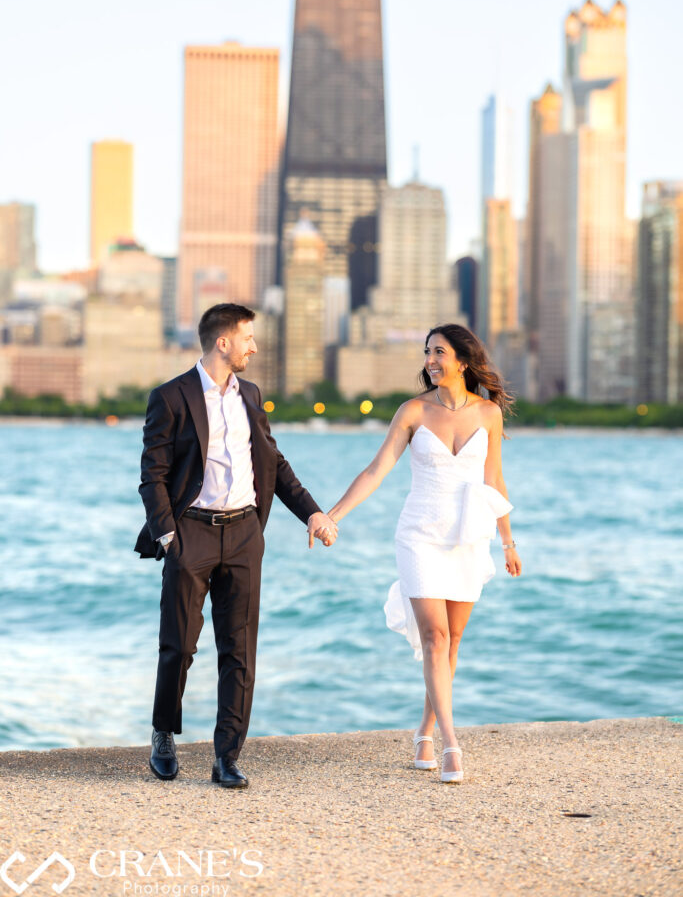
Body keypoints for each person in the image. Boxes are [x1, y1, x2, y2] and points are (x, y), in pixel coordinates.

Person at [134, 303, 338, 789]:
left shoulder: (250, 395)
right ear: (223, 342)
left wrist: (312, 511)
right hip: (192, 533)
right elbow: (153, 475)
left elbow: (274, 462)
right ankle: (164, 733)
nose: (254, 347)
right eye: (248, 338)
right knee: (178, 646)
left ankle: (227, 755)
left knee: (240, 651)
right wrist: (169, 536)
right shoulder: (171, 396)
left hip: (245, 532)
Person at [327, 323, 521, 784]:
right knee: (434, 636)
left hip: (468, 537)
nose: (431, 360)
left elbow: (494, 480)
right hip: (419, 534)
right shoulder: (413, 411)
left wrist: (508, 540)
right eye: (428, 352)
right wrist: (333, 515)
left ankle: (425, 732)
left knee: (453, 640)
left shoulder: (488, 413)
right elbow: (376, 470)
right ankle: (452, 744)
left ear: (463, 361)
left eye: (439, 352)